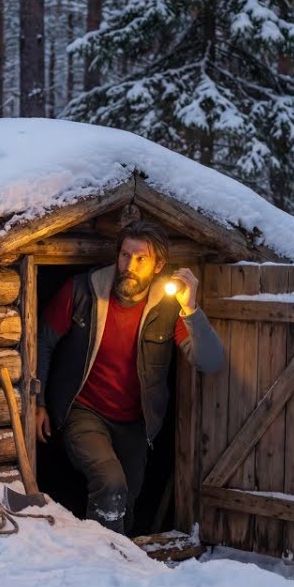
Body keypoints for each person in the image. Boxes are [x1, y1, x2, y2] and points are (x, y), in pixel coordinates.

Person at [35, 219, 225, 534]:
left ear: (158, 264)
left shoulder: (168, 307)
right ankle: (105, 562)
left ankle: (123, 567)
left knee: (127, 501)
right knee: (111, 486)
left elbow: (211, 360)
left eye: (141, 259)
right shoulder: (83, 290)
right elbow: (42, 342)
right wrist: (37, 401)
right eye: (125, 255)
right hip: (82, 411)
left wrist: (190, 307)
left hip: (135, 424)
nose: (130, 266)